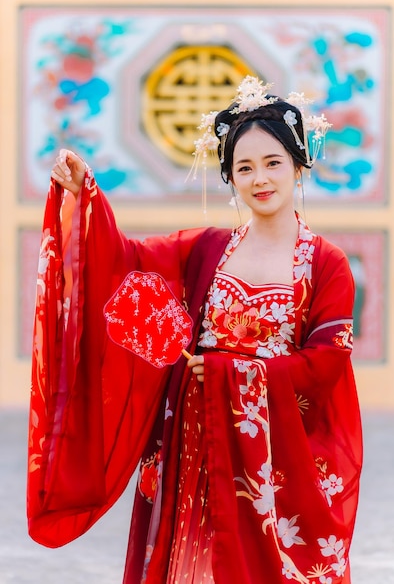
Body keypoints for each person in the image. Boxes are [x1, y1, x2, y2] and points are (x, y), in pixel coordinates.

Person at [27, 76, 362, 584]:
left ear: (298, 166)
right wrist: (86, 197)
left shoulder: (325, 263)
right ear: (229, 177)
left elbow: (327, 361)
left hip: (276, 454)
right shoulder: (207, 249)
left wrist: (233, 371)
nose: (260, 178)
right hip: (194, 437)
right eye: (243, 167)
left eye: (273, 163)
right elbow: (128, 267)